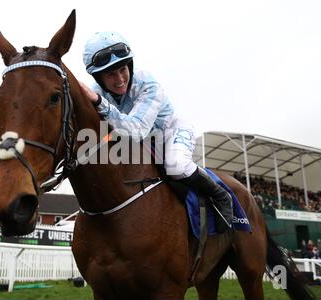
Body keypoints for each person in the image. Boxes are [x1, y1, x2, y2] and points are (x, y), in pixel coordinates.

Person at [78, 31, 233, 230]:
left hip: (170, 132)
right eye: (110, 74)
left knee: (176, 166)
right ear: (99, 78)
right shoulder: (95, 91)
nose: (119, 79)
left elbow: (136, 130)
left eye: (123, 69)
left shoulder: (147, 84)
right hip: (140, 141)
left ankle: (220, 195)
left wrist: (100, 103)